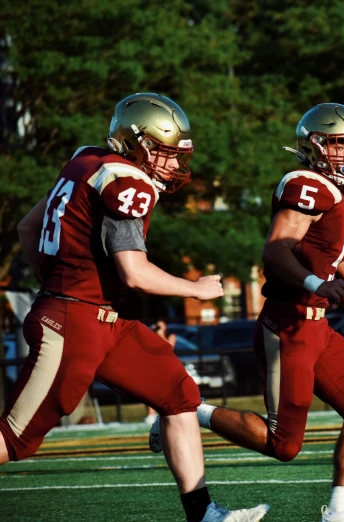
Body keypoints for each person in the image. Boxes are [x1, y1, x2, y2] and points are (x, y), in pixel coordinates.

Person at [149, 103, 344, 522]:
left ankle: (339, 512)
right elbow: (275, 251)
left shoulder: (339, 198)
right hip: (288, 324)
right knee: (284, 444)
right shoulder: (306, 184)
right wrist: (317, 283)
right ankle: (187, 412)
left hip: (318, 327)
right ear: (315, 146)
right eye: (341, 144)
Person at [1, 93, 269, 522]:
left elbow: (27, 226)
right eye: (163, 153)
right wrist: (194, 289)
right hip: (74, 322)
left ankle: (204, 514)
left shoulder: (86, 161)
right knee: (14, 439)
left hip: (104, 320)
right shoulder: (127, 183)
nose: (171, 165)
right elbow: (134, 271)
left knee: (178, 396)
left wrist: (56, 279)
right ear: (137, 144)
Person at [144, 319, 179, 424]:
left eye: (161, 325)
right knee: (151, 391)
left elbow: (168, 348)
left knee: (168, 392)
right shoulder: (151, 336)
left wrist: (161, 334)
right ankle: (151, 415)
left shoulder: (171, 335)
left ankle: (172, 413)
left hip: (168, 367)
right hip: (154, 366)